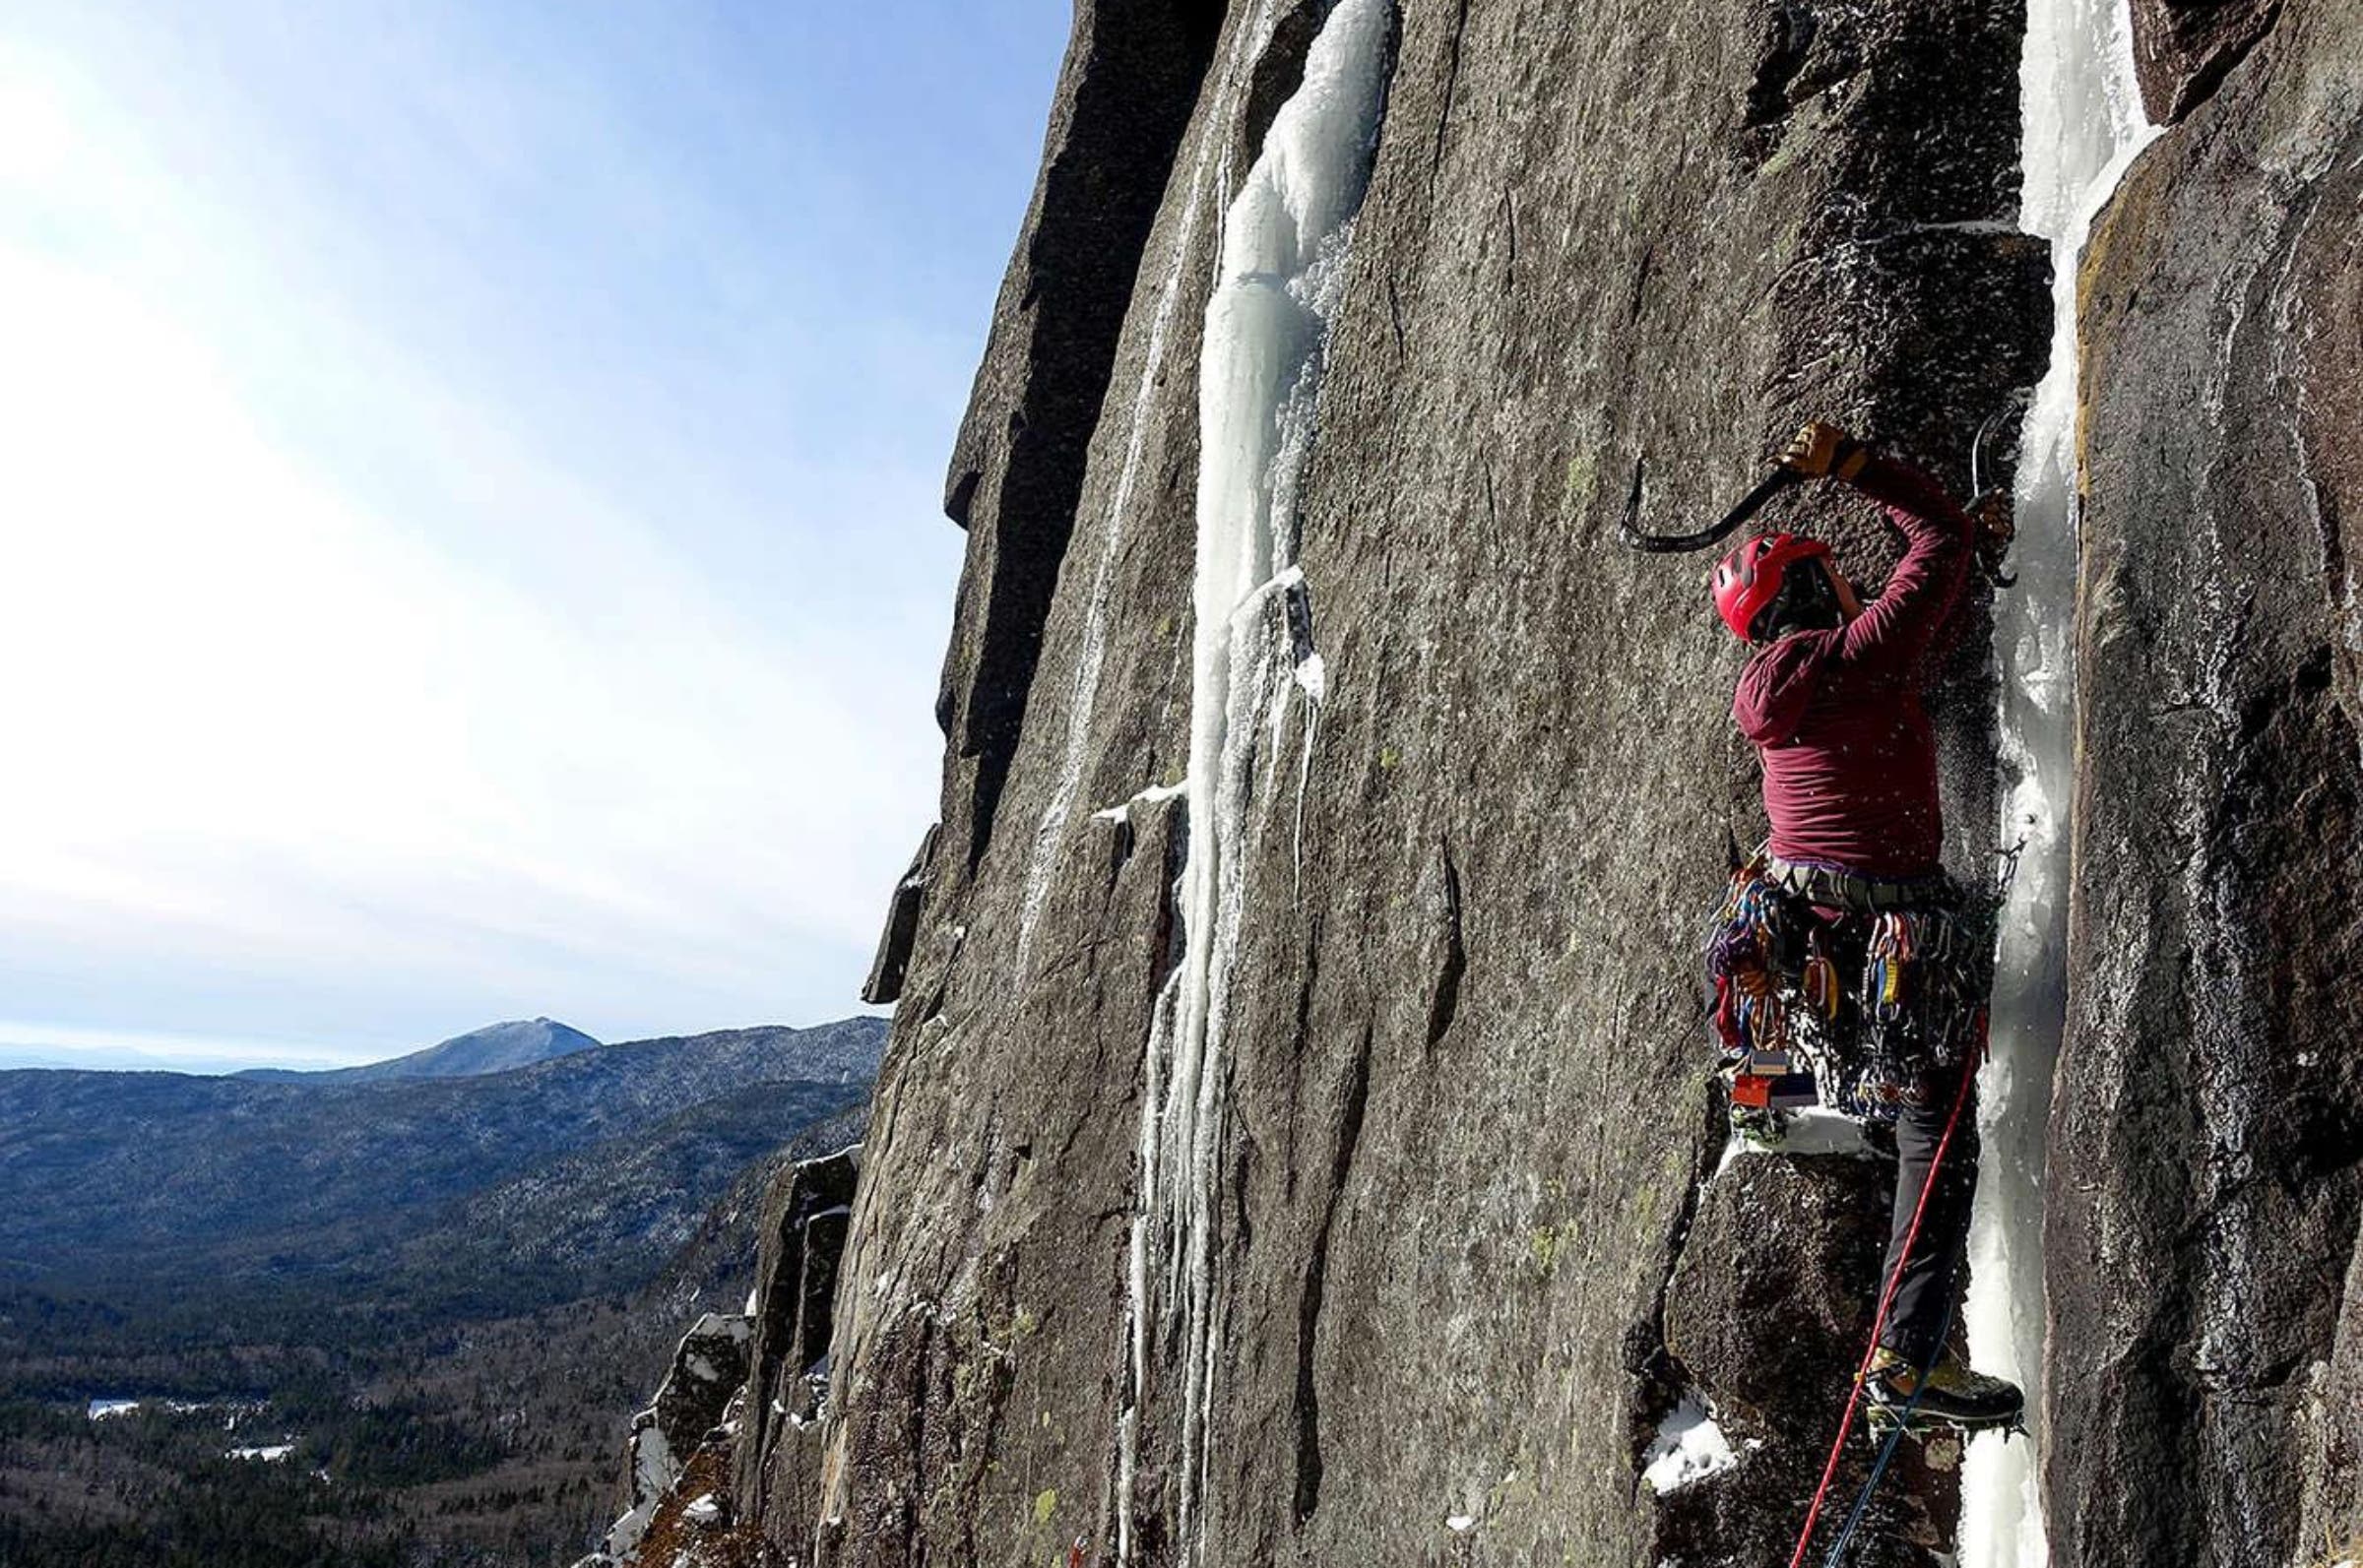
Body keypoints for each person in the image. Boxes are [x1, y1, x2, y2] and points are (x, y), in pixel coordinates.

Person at [1701, 419, 2023, 1432]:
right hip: (1891, 936)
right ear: (1811, 591)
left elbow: (1921, 627)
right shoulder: (1858, 658)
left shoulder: (1782, 695)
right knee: (1940, 1129)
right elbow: (1936, 546)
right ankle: (1908, 1356)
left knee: (1909, 1104)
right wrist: (1855, 468)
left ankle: (1780, 1096)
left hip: (1822, 932)